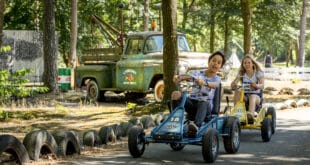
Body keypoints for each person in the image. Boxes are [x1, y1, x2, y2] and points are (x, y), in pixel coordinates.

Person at [171, 51, 226, 133]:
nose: (215, 64)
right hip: (192, 103)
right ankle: (174, 121)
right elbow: (188, 76)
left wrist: (205, 83)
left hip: (206, 107)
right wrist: (179, 77)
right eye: (213, 61)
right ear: (209, 62)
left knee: (203, 100)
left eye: (218, 63)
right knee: (176, 94)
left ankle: (196, 125)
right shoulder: (198, 73)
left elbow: (215, 85)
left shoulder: (217, 79)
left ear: (220, 67)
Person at [231, 55, 264, 119]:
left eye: (249, 63)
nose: (247, 64)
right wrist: (234, 84)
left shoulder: (258, 73)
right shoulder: (242, 73)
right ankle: (236, 112)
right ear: (243, 65)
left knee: (252, 96)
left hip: (256, 97)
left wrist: (256, 85)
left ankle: (250, 114)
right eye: (245, 63)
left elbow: (262, 86)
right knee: (237, 91)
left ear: (253, 64)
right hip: (245, 96)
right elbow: (234, 83)